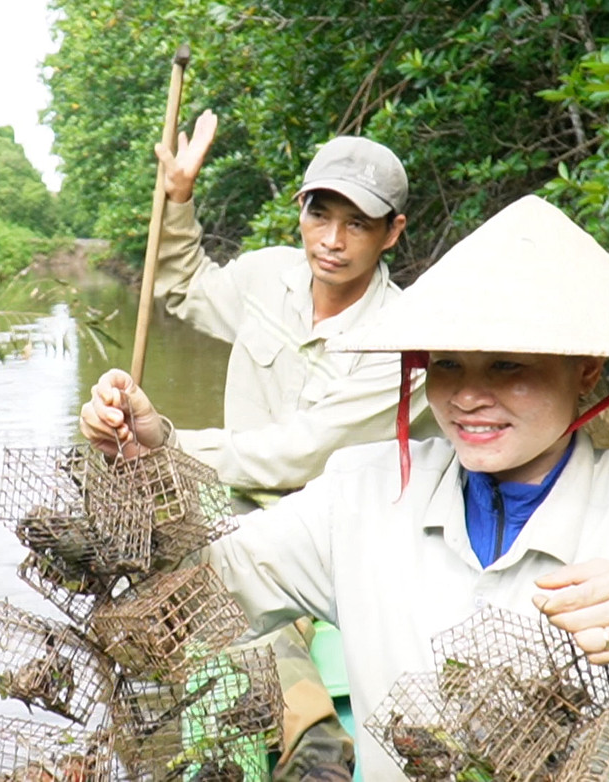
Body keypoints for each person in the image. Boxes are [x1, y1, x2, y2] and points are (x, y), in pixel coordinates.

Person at [82, 195, 609, 779]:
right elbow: (208, 591)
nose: (470, 396)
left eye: (509, 366)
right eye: (448, 364)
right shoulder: (361, 494)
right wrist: (152, 467)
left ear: (586, 371)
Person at [84, 111, 428, 781]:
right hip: (237, 504)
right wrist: (178, 200)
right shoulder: (268, 275)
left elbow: (301, 453)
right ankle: (308, 726)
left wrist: (165, 443)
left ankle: (312, 738)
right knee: (186, 589)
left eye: (357, 224)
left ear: (393, 232)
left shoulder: (405, 336)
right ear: (300, 210)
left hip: (349, 516)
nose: (331, 241)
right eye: (319, 214)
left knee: (222, 599)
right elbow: (183, 286)